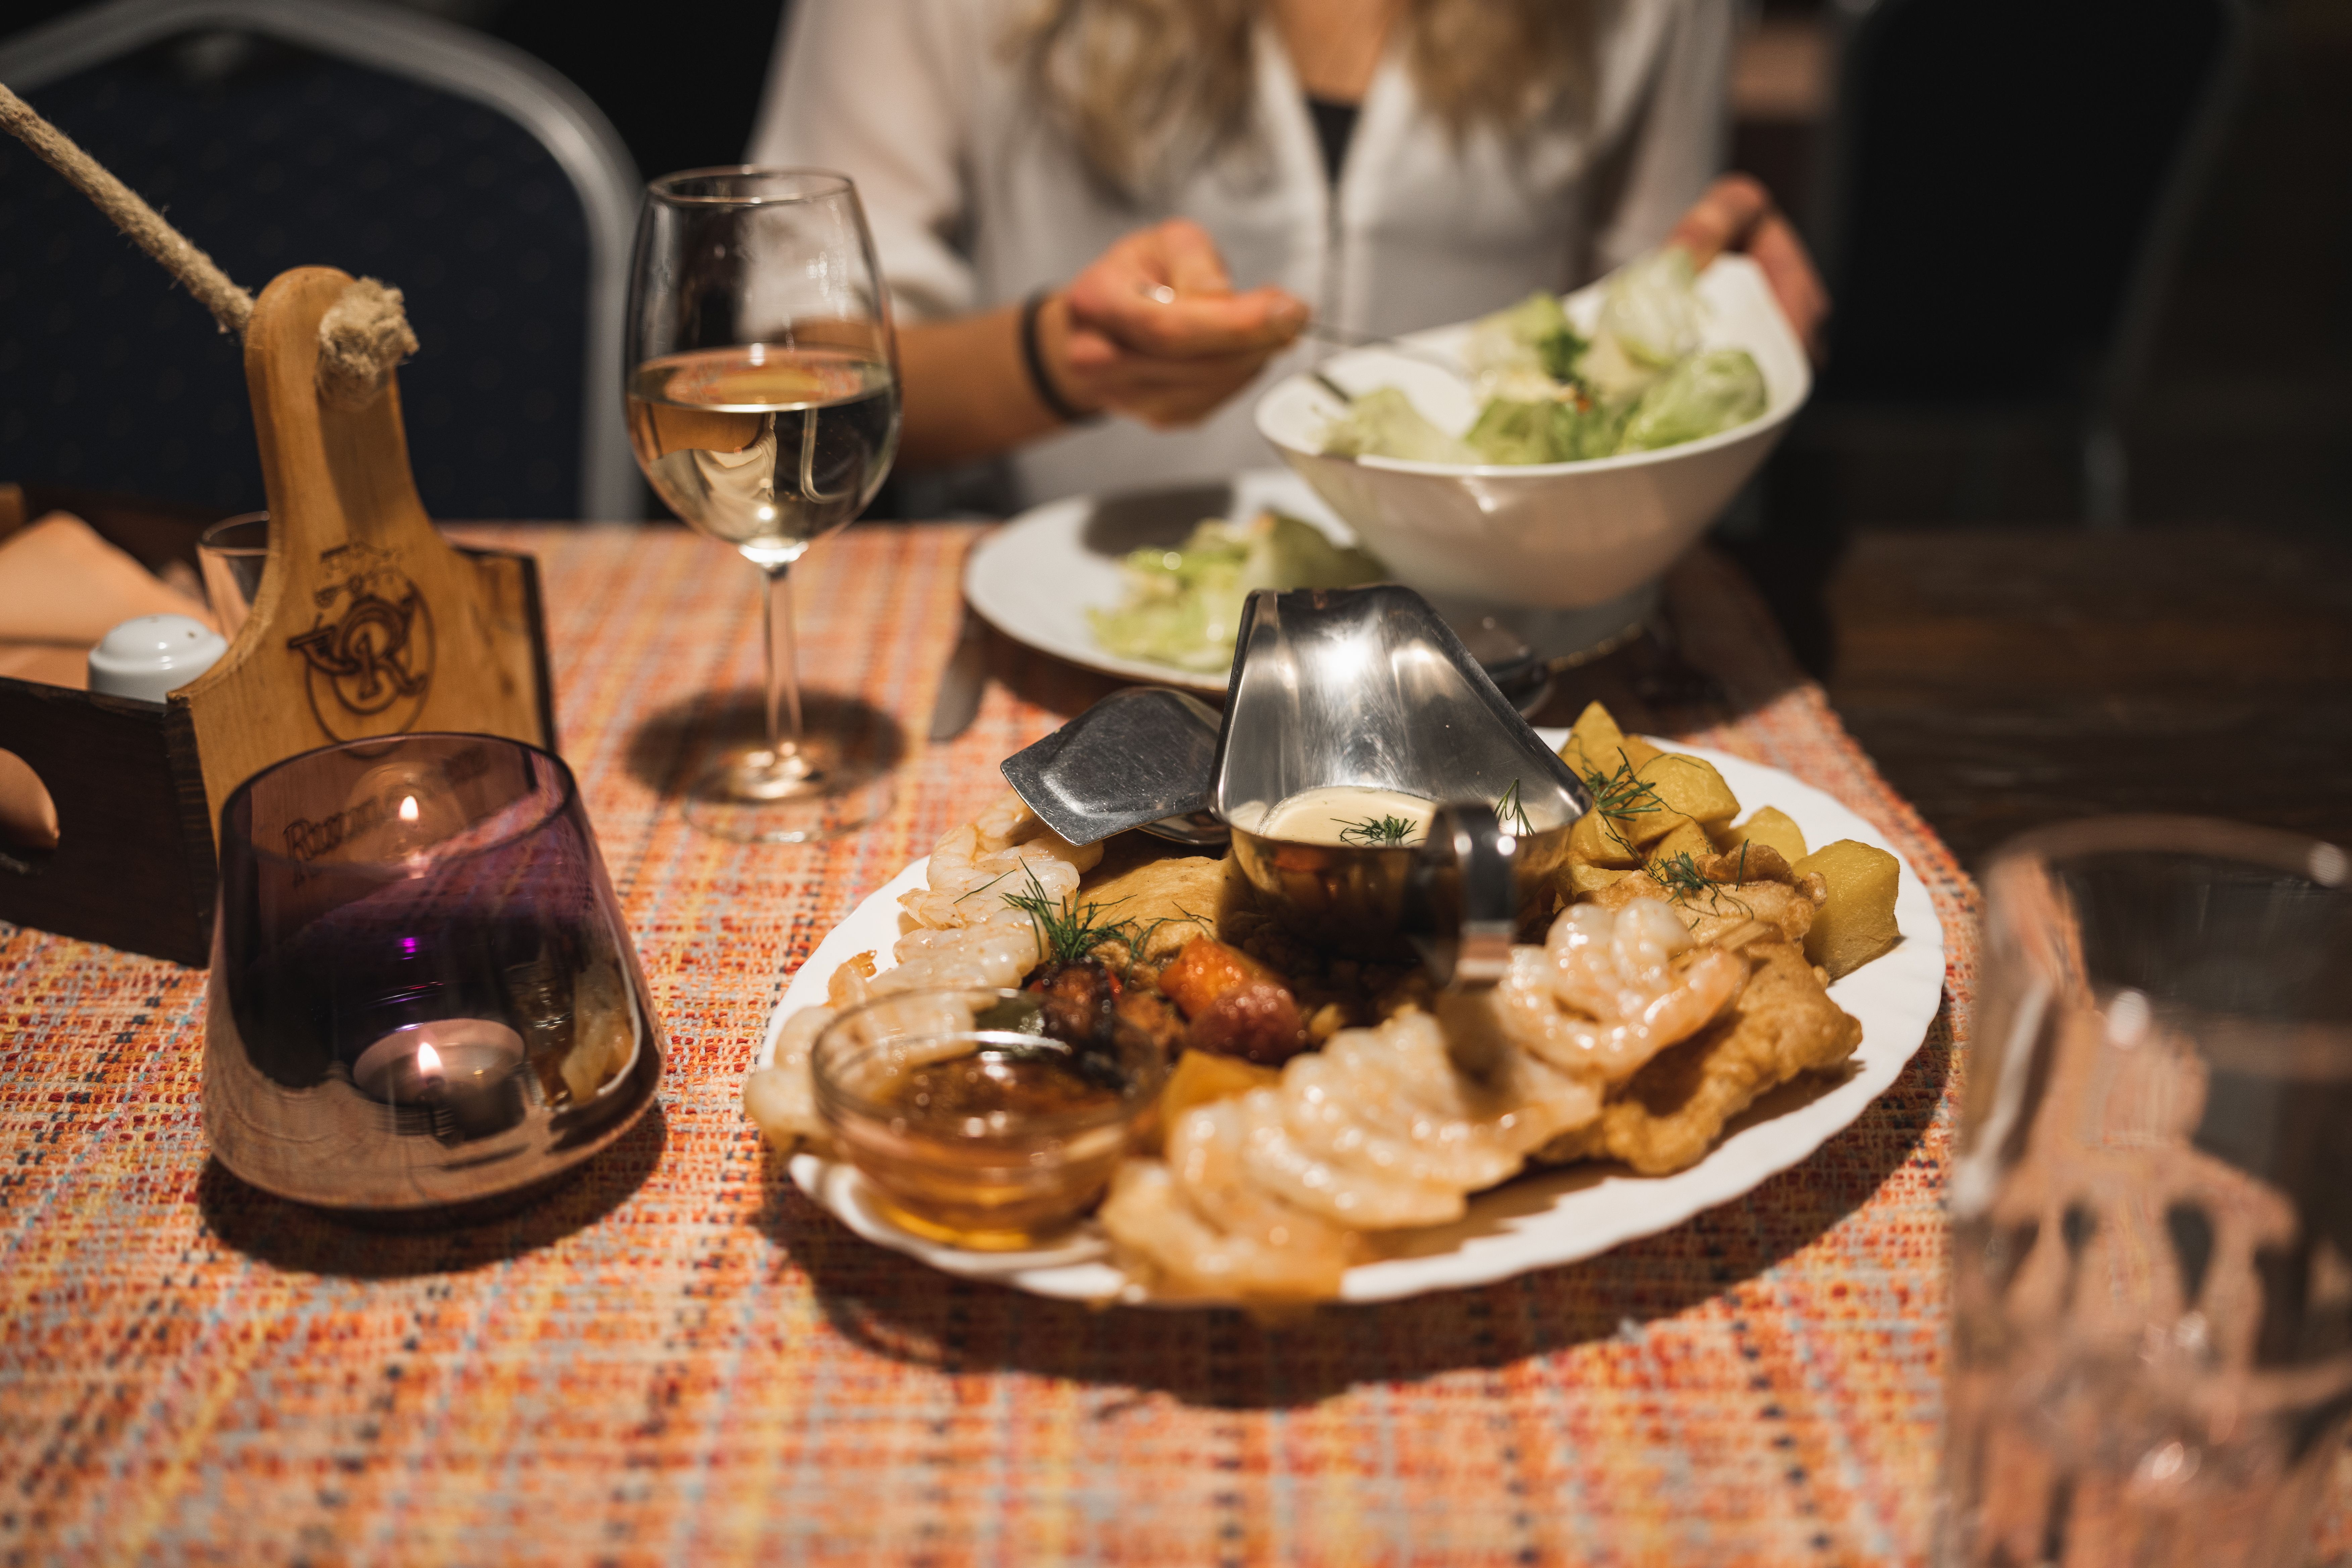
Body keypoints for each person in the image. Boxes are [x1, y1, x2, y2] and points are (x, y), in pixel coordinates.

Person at [747, 0, 1826, 509]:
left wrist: (1722, 328)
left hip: (1503, 633)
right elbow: (796, 359)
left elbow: (1640, 298)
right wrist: (1062, 359)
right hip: (1074, 618)